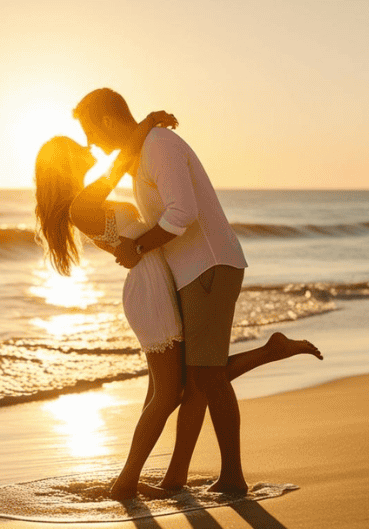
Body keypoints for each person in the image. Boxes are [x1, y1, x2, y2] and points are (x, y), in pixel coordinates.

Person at [33, 108, 320, 500]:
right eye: (77, 146)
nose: (88, 147)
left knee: (184, 385)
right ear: (65, 165)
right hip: (150, 293)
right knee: (171, 392)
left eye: (88, 137)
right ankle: (126, 483)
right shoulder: (81, 205)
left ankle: (157, 478)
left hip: (157, 285)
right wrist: (145, 125)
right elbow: (118, 169)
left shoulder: (85, 202)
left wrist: (144, 133)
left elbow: (126, 178)